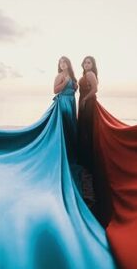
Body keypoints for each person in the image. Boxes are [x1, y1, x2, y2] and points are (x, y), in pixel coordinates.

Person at [53, 56, 82, 189]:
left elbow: (74, 89)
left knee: (72, 128)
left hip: (71, 102)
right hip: (64, 102)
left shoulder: (71, 75)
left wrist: (75, 85)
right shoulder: (60, 76)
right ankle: (64, 154)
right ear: (59, 65)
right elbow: (55, 90)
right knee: (65, 127)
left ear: (68, 64)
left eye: (65, 62)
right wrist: (65, 82)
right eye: (61, 62)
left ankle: (73, 152)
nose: (63, 64)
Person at [77, 56, 99, 209]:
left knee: (86, 132)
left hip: (89, 103)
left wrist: (85, 99)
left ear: (93, 65)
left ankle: (88, 160)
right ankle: (85, 158)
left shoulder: (90, 74)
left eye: (89, 62)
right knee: (83, 130)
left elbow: (95, 90)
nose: (86, 64)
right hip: (84, 102)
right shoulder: (85, 75)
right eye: (85, 62)